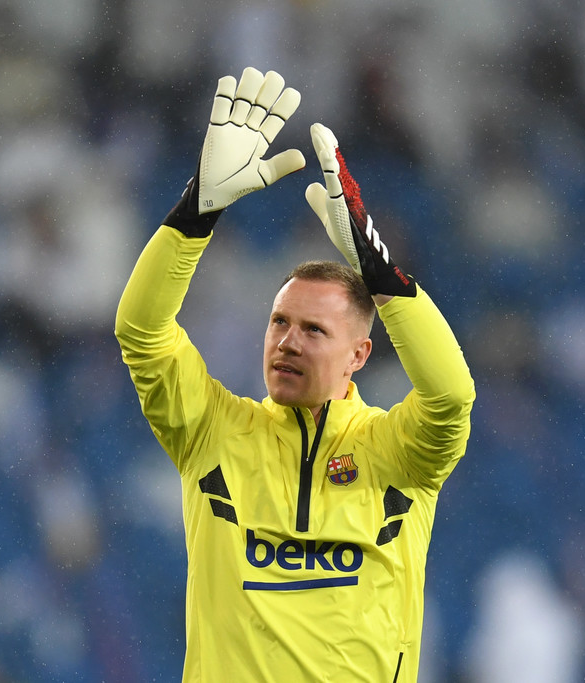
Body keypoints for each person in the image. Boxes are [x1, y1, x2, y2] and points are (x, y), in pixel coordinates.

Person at [114, 67, 475, 683]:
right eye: (279, 322)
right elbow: (141, 330)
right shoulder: (213, 433)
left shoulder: (397, 454)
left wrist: (381, 276)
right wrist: (198, 207)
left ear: (359, 355)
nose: (286, 341)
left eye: (313, 330)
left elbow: (450, 396)